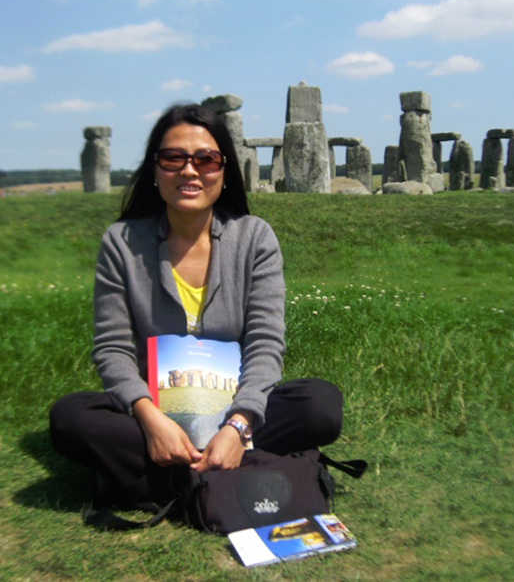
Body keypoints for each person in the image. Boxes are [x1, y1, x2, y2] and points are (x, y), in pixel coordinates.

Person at [50, 103, 342, 499]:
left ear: (224, 170)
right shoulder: (121, 242)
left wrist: (238, 425)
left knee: (320, 405)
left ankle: (159, 477)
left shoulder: (254, 238)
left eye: (206, 159)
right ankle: (223, 471)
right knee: (70, 418)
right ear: (155, 169)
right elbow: (112, 348)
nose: (189, 170)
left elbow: (265, 342)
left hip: (232, 409)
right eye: (173, 158)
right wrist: (152, 421)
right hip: (155, 410)